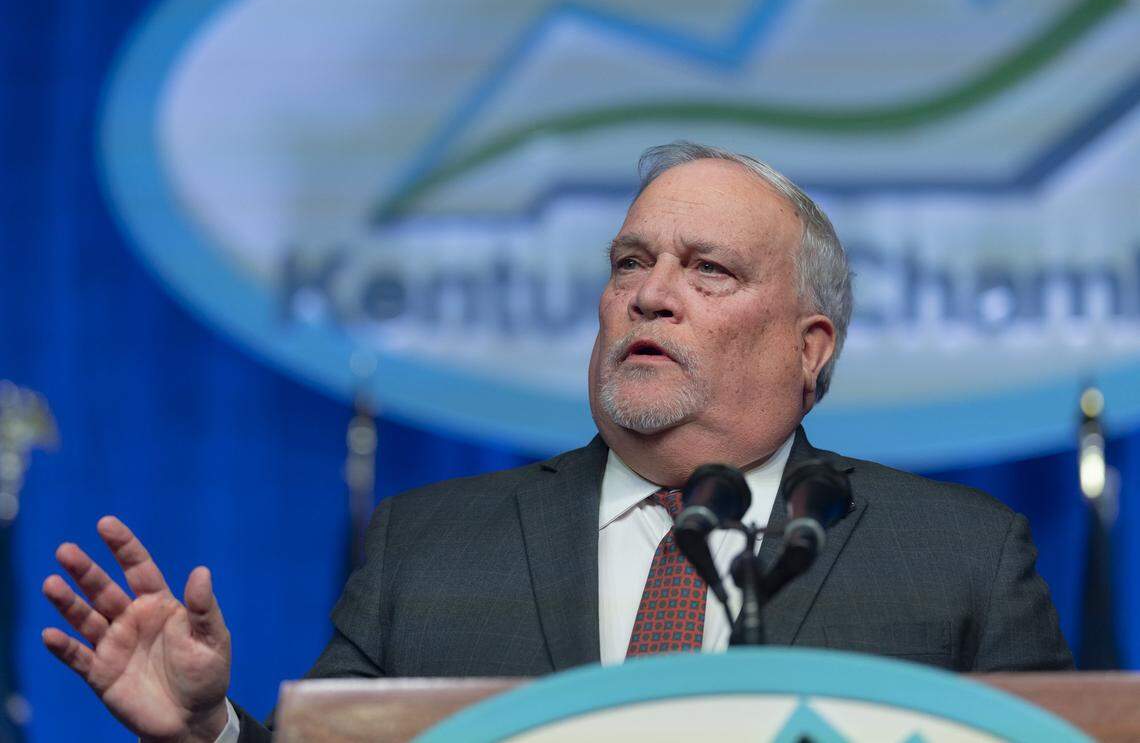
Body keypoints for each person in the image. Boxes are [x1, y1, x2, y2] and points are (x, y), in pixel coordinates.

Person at [42, 142, 1072, 743]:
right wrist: (211, 731)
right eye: (631, 261)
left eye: (706, 269)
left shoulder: (958, 558)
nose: (650, 294)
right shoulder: (430, 548)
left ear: (811, 349)